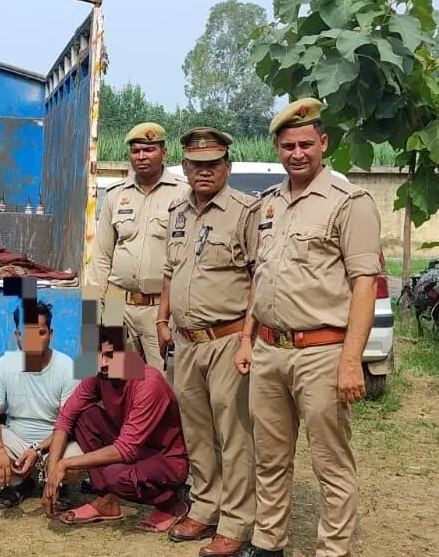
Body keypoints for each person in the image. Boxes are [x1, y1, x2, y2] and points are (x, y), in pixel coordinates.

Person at [242, 98, 383, 557]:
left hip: (321, 351)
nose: (297, 153)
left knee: (330, 460)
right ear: (277, 149)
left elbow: (365, 285)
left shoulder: (349, 203)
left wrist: (350, 361)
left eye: (306, 143)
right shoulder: (268, 206)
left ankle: (333, 549)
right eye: (287, 145)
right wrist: (248, 339)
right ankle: (268, 542)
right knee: (270, 457)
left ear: (323, 144)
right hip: (268, 350)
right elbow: (258, 279)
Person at [158, 127, 259, 557]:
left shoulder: (245, 212)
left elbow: (259, 279)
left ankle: (236, 522)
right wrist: (163, 317)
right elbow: (170, 270)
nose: (204, 172)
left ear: (227, 167)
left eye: (212, 164)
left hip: (227, 338)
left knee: (234, 433)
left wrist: (249, 339)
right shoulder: (177, 212)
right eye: (196, 164)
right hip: (186, 342)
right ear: (185, 167)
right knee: (196, 431)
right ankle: (205, 505)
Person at [41, 329, 189, 533]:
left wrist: (65, 464)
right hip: (134, 449)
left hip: (166, 460)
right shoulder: (98, 376)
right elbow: (66, 418)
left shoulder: (148, 382)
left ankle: (172, 502)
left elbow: (126, 449)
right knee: (85, 416)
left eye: (110, 355)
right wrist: (52, 474)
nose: (103, 363)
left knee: (116, 476)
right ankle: (106, 502)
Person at [91, 122, 187, 371]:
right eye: (136, 151)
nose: (141, 156)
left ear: (164, 153)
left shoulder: (184, 193)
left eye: (149, 150)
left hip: (159, 309)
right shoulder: (115, 194)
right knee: (114, 380)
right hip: (115, 303)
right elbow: (101, 257)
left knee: (163, 385)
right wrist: (91, 313)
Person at [0, 301, 82, 509]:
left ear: (50, 334)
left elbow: (68, 424)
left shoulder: (68, 368)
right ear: (17, 336)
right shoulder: (3, 366)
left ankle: (56, 482)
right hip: (17, 443)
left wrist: (37, 450)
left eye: (40, 333)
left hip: (54, 445)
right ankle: (19, 483)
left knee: (76, 457)